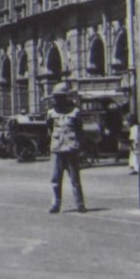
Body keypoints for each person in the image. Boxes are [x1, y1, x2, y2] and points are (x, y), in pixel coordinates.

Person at [47, 84, 86, 214]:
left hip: (71, 148)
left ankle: (80, 204)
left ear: (65, 97)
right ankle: (55, 204)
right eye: (56, 97)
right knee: (55, 179)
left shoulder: (75, 112)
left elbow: (79, 130)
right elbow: (49, 129)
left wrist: (80, 146)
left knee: (75, 179)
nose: (57, 100)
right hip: (57, 149)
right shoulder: (51, 113)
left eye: (60, 97)